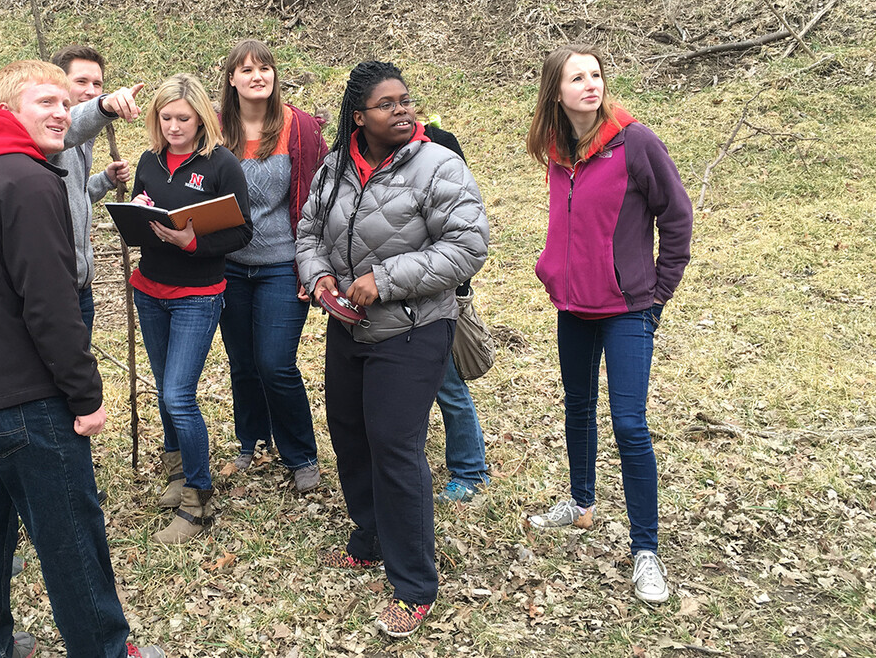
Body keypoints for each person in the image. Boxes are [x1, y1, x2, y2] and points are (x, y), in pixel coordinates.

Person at [0, 59, 163, 658]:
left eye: (66, 103)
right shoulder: (28, 181)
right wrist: (85, 395)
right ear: (6, 111)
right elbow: (51, 304)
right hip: (23, 400)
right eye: (45, 103)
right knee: (69, 537)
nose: (62, 112)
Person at [295, 61, 488, 638]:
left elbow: (468, 245)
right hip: (348, 326)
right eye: (387, 104)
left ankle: (413, 584)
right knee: (350, 432)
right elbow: (308, 233)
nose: (402, 110)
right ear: (360, 117)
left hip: (414, 327)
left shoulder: (438, 165)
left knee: (395, 445)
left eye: (406, 100)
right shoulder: (334, 168)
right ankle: (371, 535)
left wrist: (386, 278)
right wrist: (321, 274)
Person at [524, 44, 693, 605]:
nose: (590, 85)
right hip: (574, 307)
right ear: (557, 90)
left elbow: (677, 215)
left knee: (630, 424)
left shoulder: (634, 141)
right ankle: (580, 501)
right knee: (577, 406)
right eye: (578, 77)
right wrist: (554, 272)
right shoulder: (556, 148)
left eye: (596, 74)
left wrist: (657, 294)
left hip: (628, 310)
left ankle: (647, 549)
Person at [128, 73, 251, 544]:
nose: (175, 126)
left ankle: (198, 498)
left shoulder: (221, 165)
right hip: (150, 288)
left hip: (198, 294)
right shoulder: (149, 161)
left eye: (184, 118)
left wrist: (193, 240)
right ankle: (176, 471)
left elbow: (242, 233)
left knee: (180, 394)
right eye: (167, 118)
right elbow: (143, 225)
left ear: (202, 118)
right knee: (164, 389)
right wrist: (139, 211)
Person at [216, 39, 326, 492]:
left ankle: (301, 454)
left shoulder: (298, 127)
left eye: (265, 68)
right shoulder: (216, 128)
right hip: (229, 266)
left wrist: (315, 267)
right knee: (242, 361)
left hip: (283, 263)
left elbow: (321, 199)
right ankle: (252, 442)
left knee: (275, 363)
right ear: (231, 80)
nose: (257, 76)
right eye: (246, 69)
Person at [421, 124, 493, 503]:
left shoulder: (443, 151)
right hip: (399, 303)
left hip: (440, 300)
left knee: (448, 386)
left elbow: (465, 241)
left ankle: (470, 470)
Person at [48, 44, 131, 328]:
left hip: (82, 284)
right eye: (81, 82)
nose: (92, 90)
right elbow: (71, 129)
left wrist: (104, 181)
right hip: (55, 288)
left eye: (98, 84)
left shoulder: (83, 140)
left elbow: (73, 193)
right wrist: (104, 106)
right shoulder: (49, 133)